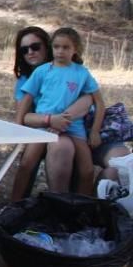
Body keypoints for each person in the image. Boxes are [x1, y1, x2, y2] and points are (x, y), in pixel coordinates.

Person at [17, 27, 104, 195]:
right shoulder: (42, 71)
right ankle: (14, 204)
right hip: (44, 124)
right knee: (26, 164)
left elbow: (99, 103)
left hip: (74, 127)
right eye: (56, 47)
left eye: (66, 47)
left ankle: (80, 209)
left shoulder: (82, 73)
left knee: (86, 171)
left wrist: (95, 131)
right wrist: (18, 128)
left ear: (75, 49)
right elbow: (26, 100)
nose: (60, 51)